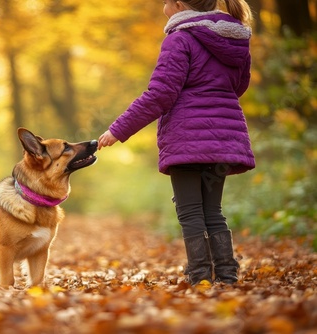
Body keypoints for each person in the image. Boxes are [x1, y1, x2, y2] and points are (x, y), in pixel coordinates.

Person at [98, 0, 255, 285]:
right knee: (213, 211)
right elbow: (239, 86)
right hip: (224, 140)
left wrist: (118, 130)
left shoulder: (180, 38)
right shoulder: (235, 38)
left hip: (187, 138)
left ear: (180, 4)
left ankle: (200, 276)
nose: (163, 5)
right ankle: (227, 275)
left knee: (191, 211)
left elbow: (160, 94)